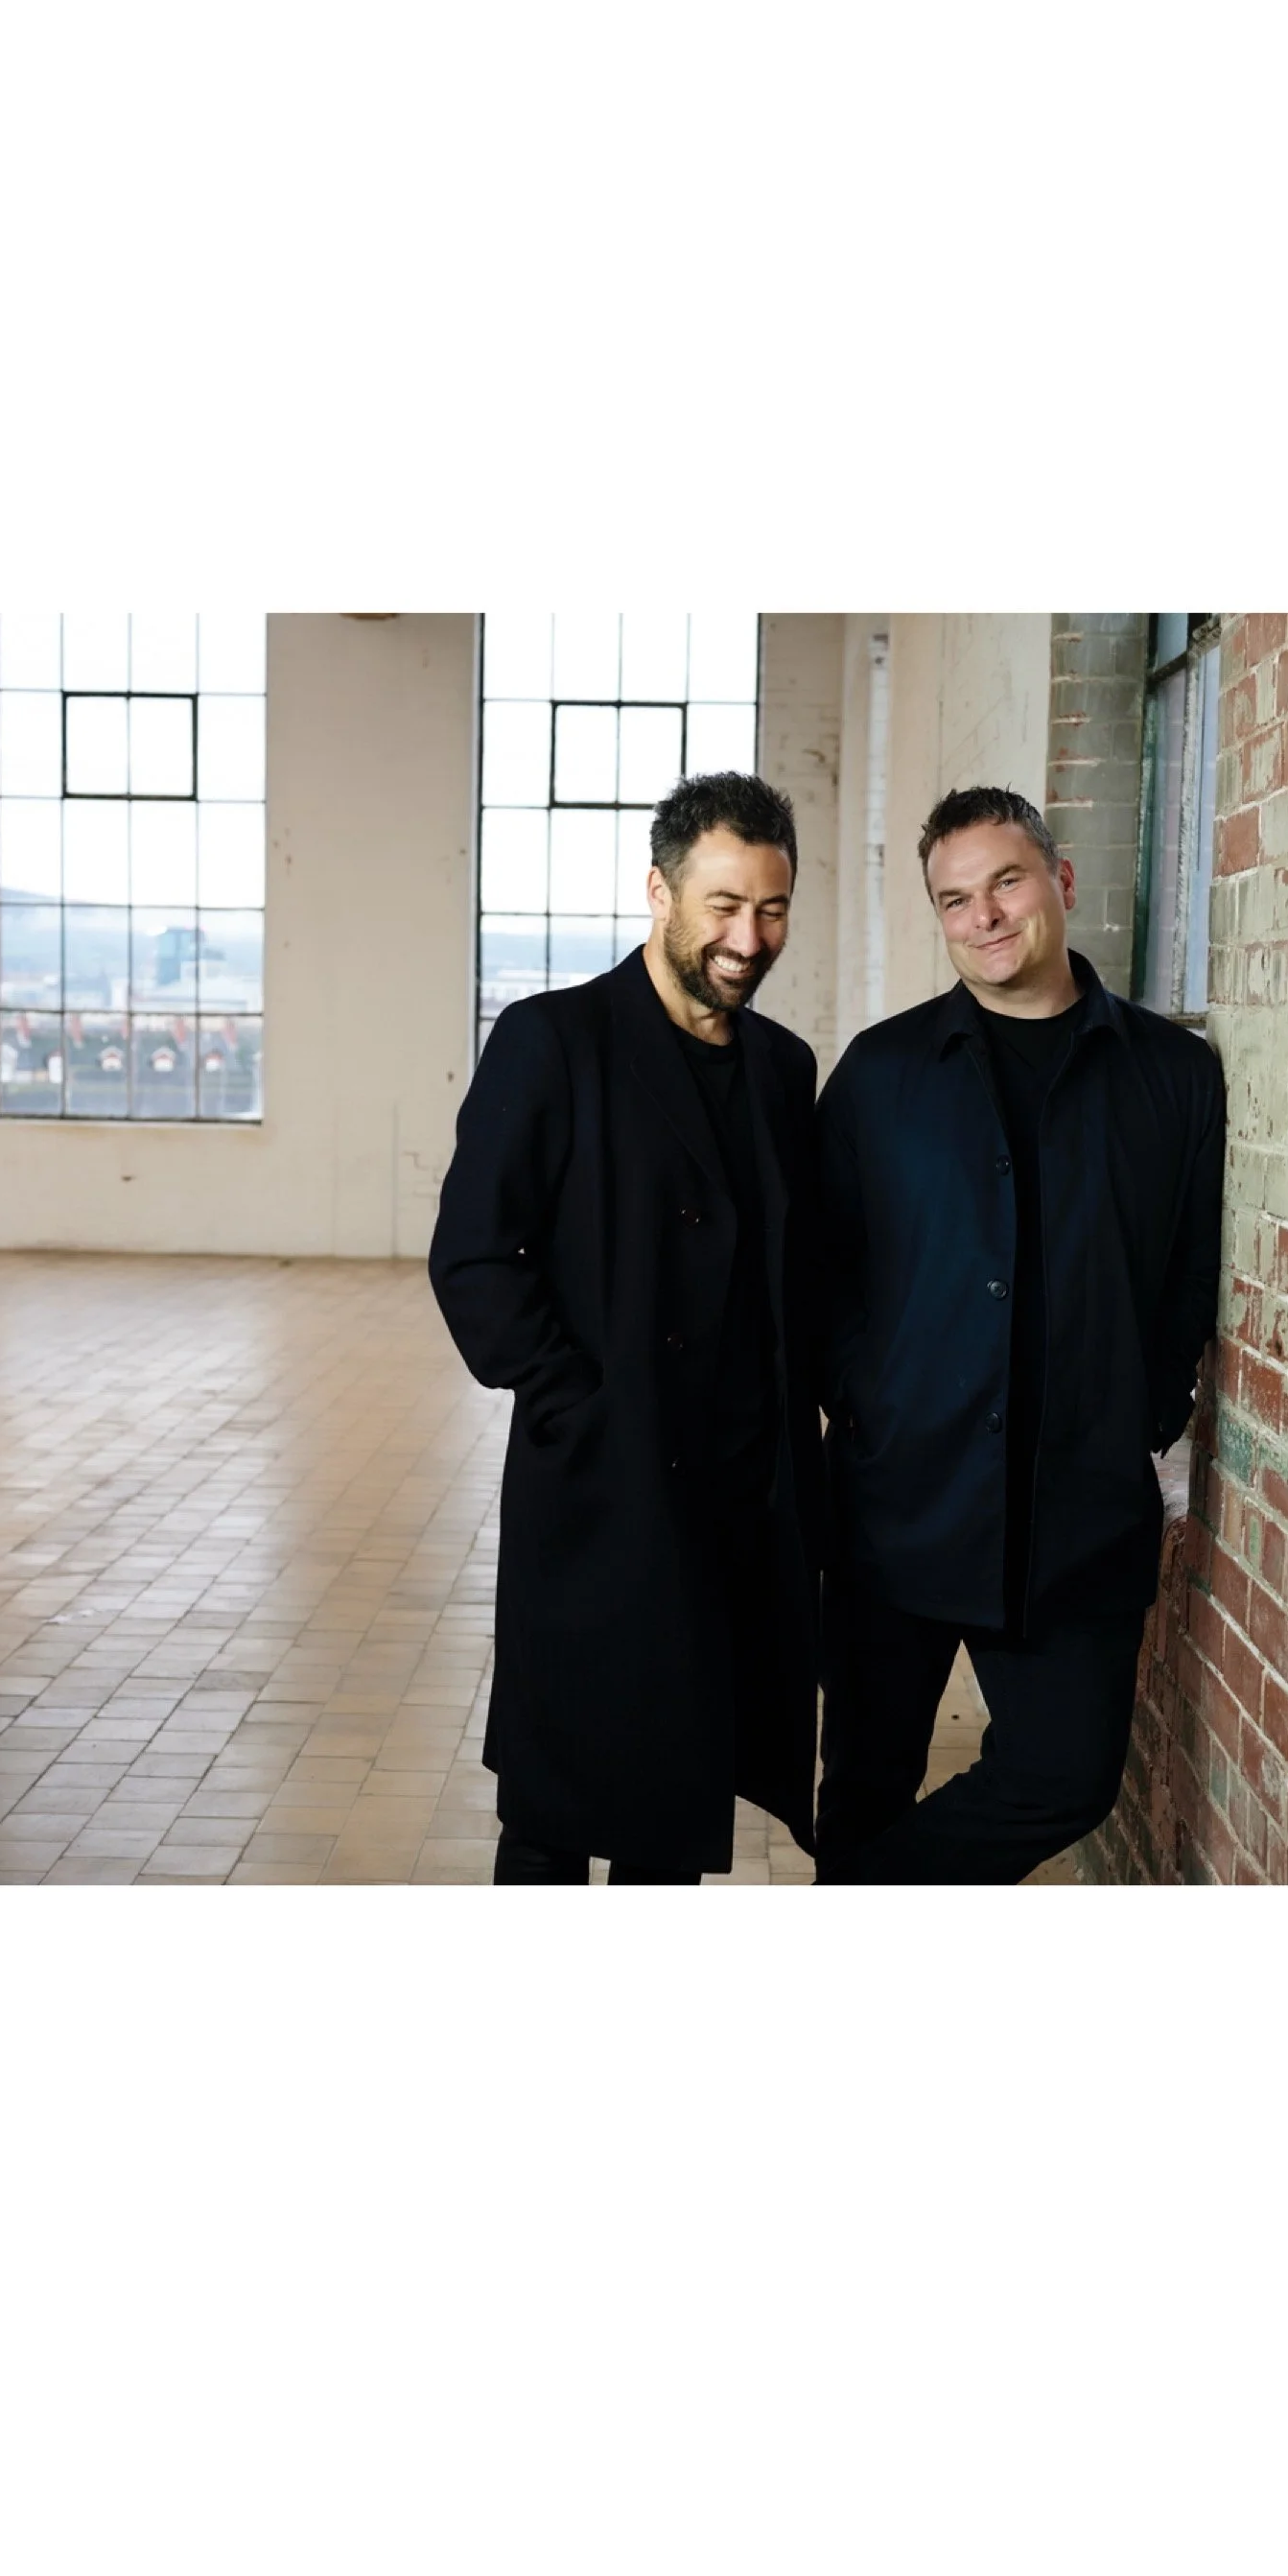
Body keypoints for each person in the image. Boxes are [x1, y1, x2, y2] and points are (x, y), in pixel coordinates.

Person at [813, 785, 1225, 1883]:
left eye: (1005, 881)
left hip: (1075, 1511)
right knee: (861, 1784)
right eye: (955, 899)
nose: (984, 916)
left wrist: (1144, 1407)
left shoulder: (1171, 1076)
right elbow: (822, 1268)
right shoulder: (880, 1074)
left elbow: (1189, 1273)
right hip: (900, 1499)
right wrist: (865, 1403)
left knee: (1064, 1775)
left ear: (1060, 882)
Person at [430, 770, 825, 1883]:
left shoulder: (782, 1069)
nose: (749, 936)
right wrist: (575, 1403)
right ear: (657, 890)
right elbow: (470, 1257)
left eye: (773, 907)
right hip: (604, 1487)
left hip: (737, 1503)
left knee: (677, 1814)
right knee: (557, 1813)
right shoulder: (552, 1041)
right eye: (722, 904)